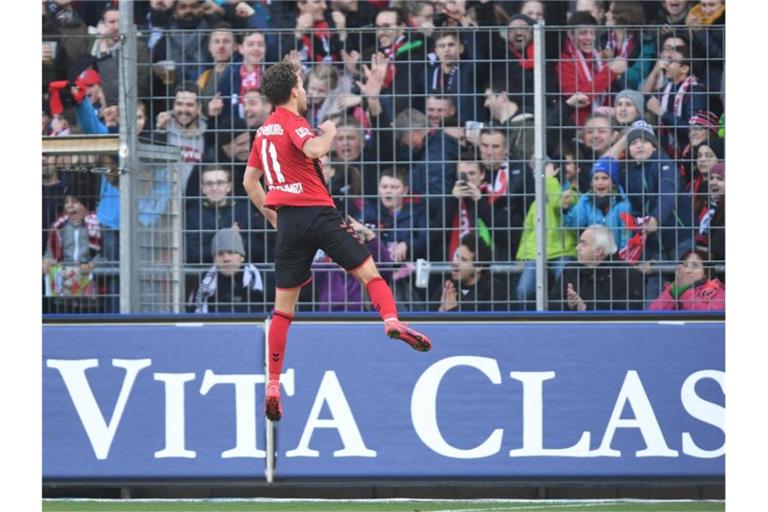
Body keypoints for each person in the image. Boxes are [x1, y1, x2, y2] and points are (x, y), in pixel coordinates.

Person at [242, 61, 432, 422]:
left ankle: (272, 383)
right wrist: (329, 130)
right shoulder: (294, 122)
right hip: (319, 214)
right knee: (370, 274)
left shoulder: (263, 132)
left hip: (289, 223)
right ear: (295, 90)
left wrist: (271, 214)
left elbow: (250, 182)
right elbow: (313, 150)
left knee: (283, 310)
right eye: (302, 83)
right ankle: (391, 320)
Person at [623, 120, 694, 301]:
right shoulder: (630, 172)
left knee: (687, 283)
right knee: (655, 287)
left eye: (644, 141)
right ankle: (651, 324)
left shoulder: (664, 163)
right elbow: (636, 207)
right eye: (633, 142)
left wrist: (655, 219)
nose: (638, 145)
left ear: (654, 146)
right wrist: (638, 227)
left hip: (679, 237)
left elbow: (667, 193)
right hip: (654, 243)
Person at [557, 11, 628, 128]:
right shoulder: (565, 60)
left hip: (604, 124)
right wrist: (610, 72)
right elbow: (580, 98)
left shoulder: (598, 59)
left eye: (592, 33)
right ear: (570, 34)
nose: (589, 38)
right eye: (583, 33)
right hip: (578, 127)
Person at [549, 225, 645, 311]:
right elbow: (551, 304)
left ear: (598, 251)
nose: (577, 248)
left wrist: (586, 309)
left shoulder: (627, 275)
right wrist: (568, 305)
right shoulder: (570, 270)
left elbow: (630, 314)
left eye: (583, 244)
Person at [561, 156, 633, 252]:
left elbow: (626, 236)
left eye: (605, 178)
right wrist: (565, 209)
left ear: (614, 183)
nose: (600, 182)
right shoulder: (585, 200)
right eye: (596, 178)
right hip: (592, 255)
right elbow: (574, 225)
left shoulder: (623, 204)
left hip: (615, 257)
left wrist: (621, 261)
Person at [192, 227, 267, 313]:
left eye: (231, 252)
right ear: (214, 259)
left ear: (242, 257)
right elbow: (192, 314)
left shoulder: (263, 278)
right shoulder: (203, 281)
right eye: (220, 254)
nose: (226, 259)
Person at [434, 233, 510, 312]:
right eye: (457, 256)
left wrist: (452, 311)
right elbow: (428, 320)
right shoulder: (448, 287)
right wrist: (441, 310)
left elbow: (491, 323)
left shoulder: (495, 290)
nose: (455, 263)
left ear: (478, 267)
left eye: (463, 260)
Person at [648, 249, 725, 311]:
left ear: (706, 273)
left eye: (695, 266)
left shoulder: (718, 291)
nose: (688, 270)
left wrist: (685, 291)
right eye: (685, 265)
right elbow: (653, 312)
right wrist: (673, 292)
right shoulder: (675, 287)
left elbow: (708, 318)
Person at [694, 161, 724, 263]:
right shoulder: (720, 209)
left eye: (720, 179)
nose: (713, 182)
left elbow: (717, 249)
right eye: (711, 178)